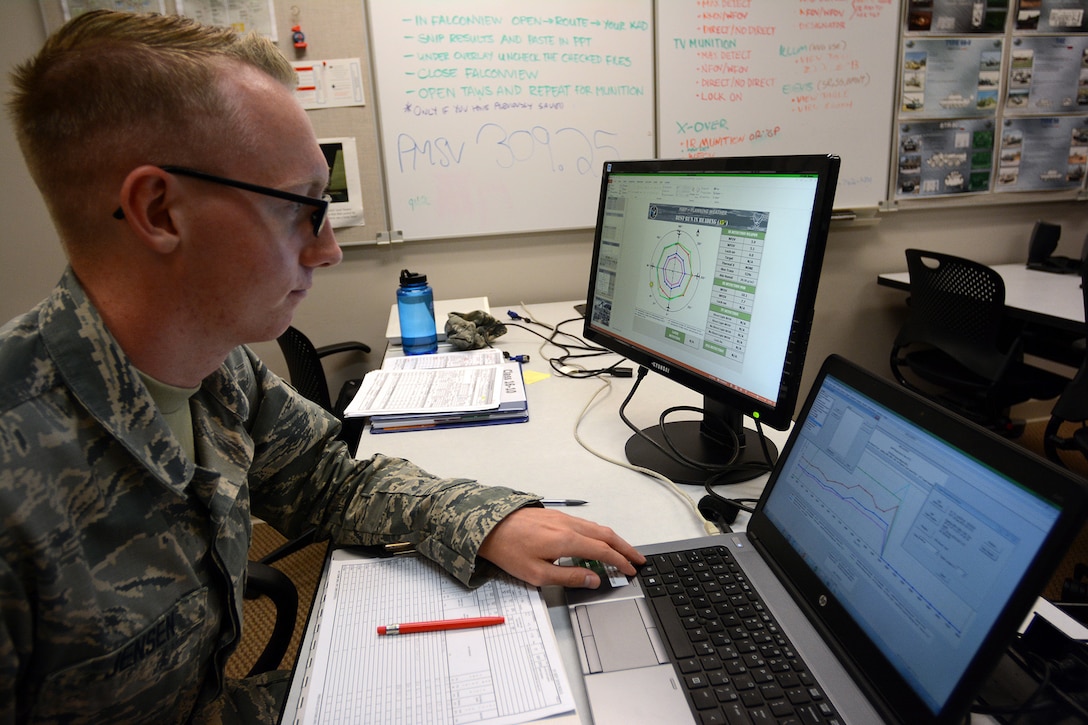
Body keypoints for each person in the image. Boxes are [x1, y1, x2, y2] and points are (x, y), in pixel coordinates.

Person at [0, 10, 644, 723]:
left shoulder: (216, 370)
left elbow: (330, 478)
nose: (330, 249)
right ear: (159, 211)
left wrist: (485, 522)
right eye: (303, 208)